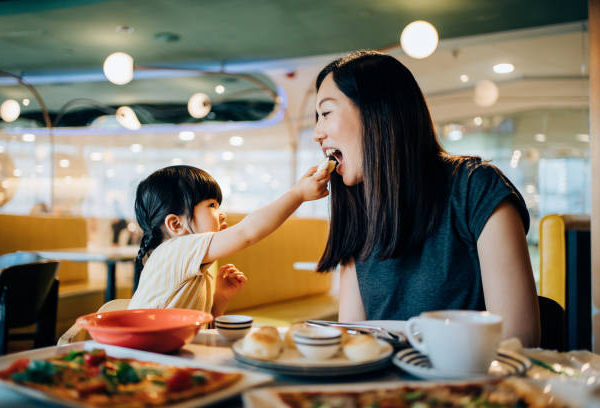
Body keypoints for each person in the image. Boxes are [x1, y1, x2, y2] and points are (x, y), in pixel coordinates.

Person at [312, 50, 540, 347]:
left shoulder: (475, 187)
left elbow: (517, 340)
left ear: (376, 111)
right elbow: (355, 341)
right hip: (381, 389)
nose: (317, 132)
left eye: (326, 113)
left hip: (470, 385)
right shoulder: (357, 208)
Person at [129, 165, 330, 317]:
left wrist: (220, 298)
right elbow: (246, 233)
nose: (222, 214)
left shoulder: (194, 263)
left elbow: (205, 327)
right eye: (212, 205)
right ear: (176, 224)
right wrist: (298, 194)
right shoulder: (174, 250)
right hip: (147, 356)